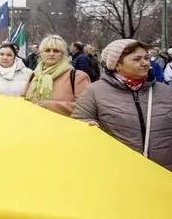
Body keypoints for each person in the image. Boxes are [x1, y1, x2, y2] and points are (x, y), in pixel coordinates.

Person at [72, 39, 172, 170]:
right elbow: (78, 124)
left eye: (146, 58)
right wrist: (90, 126)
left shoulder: (164, 91)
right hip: (119, 172)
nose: (145, 63)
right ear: (117, 65)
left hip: (164, 173)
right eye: (137, 59)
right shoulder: (95, 91)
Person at [23, 35, 91, 116]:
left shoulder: (77, 76)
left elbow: (86, 107)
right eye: (47, 50)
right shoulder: (34, 75)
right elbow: (24, 99)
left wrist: (52, 106)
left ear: (63, 54)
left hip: (64, 126)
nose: (51, 54)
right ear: (41, 53)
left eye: (56, 51)